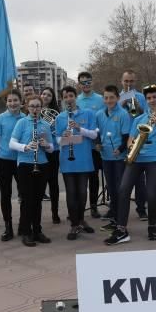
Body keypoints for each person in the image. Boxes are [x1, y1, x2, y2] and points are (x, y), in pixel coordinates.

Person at [106, 85, 156, 245]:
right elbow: (131, 138)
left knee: (152, 195)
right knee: (123, 190)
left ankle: (152, 227)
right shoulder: (139, 119)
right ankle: (122, 230)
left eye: (155, 97)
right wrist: (132, 146)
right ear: (145, 101)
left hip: (155, 159)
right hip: (136, 158)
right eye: (149, 98)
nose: (152, 100)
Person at [9, 95, 55, 246]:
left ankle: (37, 230)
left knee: (38, 199)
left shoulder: (45, 125)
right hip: (25, 164)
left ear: (41, 108)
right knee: (27, 200)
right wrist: (26, 147)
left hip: (41, 164)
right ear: (27, 108)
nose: (35, 109)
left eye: (38, 106)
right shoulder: (22, 122)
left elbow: (52, 149)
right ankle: (26, 231)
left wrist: (46, 144)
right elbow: (12, 143)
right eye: (32, 106)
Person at [55, 86, 97, 240]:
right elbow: (57, 140)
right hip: (67, 159)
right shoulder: (60, 117)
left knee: (82, 192)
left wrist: (79, 128)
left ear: (75, 97)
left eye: (71, 95)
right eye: (65, 97)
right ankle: (74, 224)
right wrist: (64, 137)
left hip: (84, 158)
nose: (68, 99)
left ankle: (81, 220)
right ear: (63, 100)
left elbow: (93, 135)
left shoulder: (88, 113)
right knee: (71, 193)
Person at [0, 90, 27, 241]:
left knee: (24, 194)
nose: (13, 103)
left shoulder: (26, 118)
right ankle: (8, 227)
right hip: (4, 160)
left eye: (15, 100)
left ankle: (23, 225)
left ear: (21, 101)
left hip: (22, 161)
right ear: (6, 103)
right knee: (5, 195)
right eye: (10, 101)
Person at [96, 85, 132, 232]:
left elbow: (126, 137)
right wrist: (97, 143)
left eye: (111, 97)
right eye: (106, 97)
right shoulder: (99, 114)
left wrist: (121, 149)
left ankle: (120, 222)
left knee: (119, 190)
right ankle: (114, 219)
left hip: (119, 158)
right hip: (105, 157)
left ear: (117, 98)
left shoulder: (123, 114)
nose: (109, 100)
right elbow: (97, 133)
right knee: (111, 189)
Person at [76, 71, 105, 218]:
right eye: (83, 82)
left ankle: (94, 206)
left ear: (91, 82)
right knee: (82, 178)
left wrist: (99, 141)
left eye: (88, 82)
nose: (86, 85)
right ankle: (80, 208)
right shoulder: (76, 100)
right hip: (82, 145)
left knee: (94, 178)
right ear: (79, 84)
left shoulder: (100, 99)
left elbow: (103, 121)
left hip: (96, 145)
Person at [119, 69, 147, 221]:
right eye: (126, 81)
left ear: (135, 82)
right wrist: (121, 105)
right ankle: (117, 208)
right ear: (121, 81)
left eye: (131, 81)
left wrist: (137, 106)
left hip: (136, 138)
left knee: (139, 179)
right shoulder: (117, 97)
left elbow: (145, 116)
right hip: (121, 140)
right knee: (120, 178)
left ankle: (141, 209)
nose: (128, 84)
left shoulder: (141, 96)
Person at [40, 86, 62, 224]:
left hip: (53, 150)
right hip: (40, 151)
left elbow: (59, 132)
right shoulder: (34, 110)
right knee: (40, 184)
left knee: (53, 183)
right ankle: (38, 214)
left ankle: (55, 212)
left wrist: (51, 127)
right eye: (43, 94)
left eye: (48, 94)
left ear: (52, 98)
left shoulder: (57, 114)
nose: (45, 96)